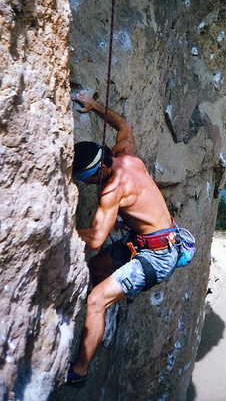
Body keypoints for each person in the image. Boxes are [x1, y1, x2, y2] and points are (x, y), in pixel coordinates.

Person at [66, 92, 179, 388]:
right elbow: (123, 125)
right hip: (151, 240)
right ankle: (102, 313)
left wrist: (60, 229)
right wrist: (93, 107)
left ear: (97, 172)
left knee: (94, 301)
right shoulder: (125, 155)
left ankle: (79, 372)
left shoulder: (111, 190)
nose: (87, 186)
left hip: (156, 257)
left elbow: (93, 239)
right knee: (94, 270)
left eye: (85, 180)